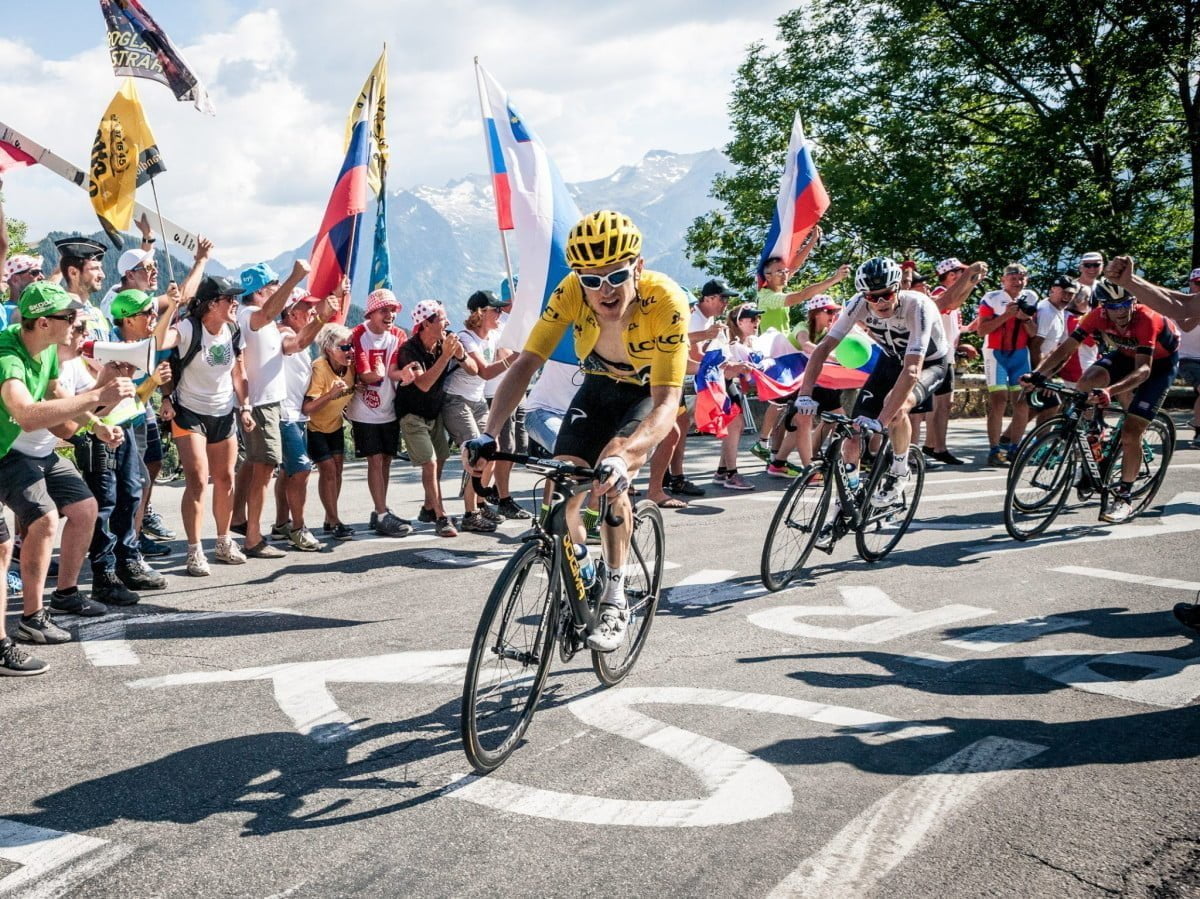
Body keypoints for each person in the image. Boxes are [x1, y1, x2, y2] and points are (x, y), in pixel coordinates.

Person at [466, 210, 690, 653]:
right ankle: (580, 561)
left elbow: (666, 403)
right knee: (566, 475)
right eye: (591, 279)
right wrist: (489, 434)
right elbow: (526, 362)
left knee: (612, 467)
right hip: (600, 382)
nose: (603, 290)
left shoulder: (665, 301)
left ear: (638, 268)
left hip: (648, 390)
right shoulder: (570, 291)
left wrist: (624, 460)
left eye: (615, 275)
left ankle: (615, 595)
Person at [0, 281, 134, 669]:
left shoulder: (46, 351)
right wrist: (97, 396)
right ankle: (30, 619)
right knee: (36, 523)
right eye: (69, 318)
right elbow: (25, 414)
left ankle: (57, 600)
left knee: (84, 507)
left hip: (23, 451)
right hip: (10, 452)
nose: (77, 323)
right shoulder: (9, 356)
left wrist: (96, 422)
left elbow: (59, 399)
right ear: (43, 323)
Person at [795, 256, 988, 507]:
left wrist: (880, 422)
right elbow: (823, 349)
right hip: (890, 361)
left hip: (930, 363)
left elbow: (911, 371)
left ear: (898, 287)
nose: (880, 302)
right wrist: (804, 394)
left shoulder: (917, 306)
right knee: (854, 432)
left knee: (895, 407)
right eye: (872, 297)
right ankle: (850, 495)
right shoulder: (858, 304)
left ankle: (899, 470)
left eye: (886, 294)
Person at [1024, 278, 1180, 524]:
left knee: (1131, 432)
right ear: (1103, 306)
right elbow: (1066, 349)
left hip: (1157, 366)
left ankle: (1124, 497)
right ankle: (1095, 434)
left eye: (1124, 305)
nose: (1119, 312)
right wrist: (1038, 375)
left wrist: (1109, 391)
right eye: (1112, 306)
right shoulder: (1097, 314)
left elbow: (1143, 372)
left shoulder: (1146, 319)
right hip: (1125, 355)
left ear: (1134, 301)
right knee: (1086, 382)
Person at [159, 275, 253, 576]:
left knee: (226, 478)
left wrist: (246, 406)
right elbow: (160, 342)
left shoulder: (234, 330)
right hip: (189, 412)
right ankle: (194, 549)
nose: (236, 303)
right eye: (230, 298)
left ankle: (224, 542)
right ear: (213, 303)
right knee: (198, 480)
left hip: (223, 411)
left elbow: (238, 373)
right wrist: (172, 306)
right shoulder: (188, 328)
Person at [229, 260, 312, 560]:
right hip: (261, 404)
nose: (279, 290)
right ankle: (253, 538)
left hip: (267, 403)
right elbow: (267, 312)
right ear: (262, 290)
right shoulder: (251, 314)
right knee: (264, 470)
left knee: (254, 465)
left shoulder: (261, 321)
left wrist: (321, 318)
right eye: (275, 286)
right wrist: (294, 277)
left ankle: (240, 521)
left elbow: (294, 346)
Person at [752, 250, 852, 462]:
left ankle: (777, 459)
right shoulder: (767, 297)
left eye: (785, 271)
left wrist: (811, 243)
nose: (785, 274)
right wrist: (834, 279)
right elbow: (802, 296)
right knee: (784, 406)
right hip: (778, 360)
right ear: (767, 276)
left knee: (797, 415)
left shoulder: (776, 287)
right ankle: (764, 443)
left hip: (790, 360)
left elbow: (793, 266)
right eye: (779, 272)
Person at [270, 285, 342, 551]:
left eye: (313, 307)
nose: (312, 311)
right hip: (285, 413)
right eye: (306, 307)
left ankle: (280, 525)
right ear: (290, 311)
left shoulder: (297, 333)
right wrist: (323, 317)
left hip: (297, 414)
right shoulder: (283, 333)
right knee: (301, 469)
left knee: (289, 470)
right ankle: (298, 528)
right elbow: (294, 345)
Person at [346, 288, 417, 537]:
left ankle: (381, 511)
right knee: (375, 460)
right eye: (385, 311)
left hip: (389, 407)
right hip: (363, 410)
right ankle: (382, 512)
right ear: (372, 312)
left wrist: (405, 375)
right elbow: (367, 375)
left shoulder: (398, 334)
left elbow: (394, 371)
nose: (391, 316)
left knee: (386, 459)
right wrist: (375, 374)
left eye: (393, 311)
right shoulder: (358, 334)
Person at [394, 300, 468, 535]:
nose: (448, 323)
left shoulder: (442, 344)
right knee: (430, 462)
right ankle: (441, 516)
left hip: (433, 413)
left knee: (442, 458)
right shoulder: (408, 350)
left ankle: (428, 507)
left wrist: (462, 355)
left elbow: (474, 370)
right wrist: (445, 357)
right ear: (426, 323)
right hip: (412, 414)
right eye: (443, 319)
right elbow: (424, 384)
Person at [441, 290, 511, 534]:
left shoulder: (492, 335)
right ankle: (470, 513)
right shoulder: (465, 338)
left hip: (477, 400)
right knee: (478, 454)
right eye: (497, 310)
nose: (501, 315)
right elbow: (485, 372)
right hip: (456, 401)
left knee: (495, 450)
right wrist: (515, 359)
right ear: (481, 313)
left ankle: (480, 502)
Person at [977, 262, 1039, 465]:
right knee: (999, 400)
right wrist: (1005, 316)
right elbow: (982, 331)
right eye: (1013, 278)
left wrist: (1025, 318)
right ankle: (994, 449)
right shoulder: (991, 298)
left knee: (1021, 401)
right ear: (1003, 280)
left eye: (1021, 278)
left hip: (1020, 354)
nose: (1017, 282)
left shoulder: (1031, 297)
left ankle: (1015, 448)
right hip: (995, 353)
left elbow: (1033, 333)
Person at [919, 257, 979, 465]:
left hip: (948, 355)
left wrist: (971, 283)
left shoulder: (950, 295)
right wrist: (971, 282)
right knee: (936, 404)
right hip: (937, 356)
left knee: (945, 403)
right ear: (952, 275)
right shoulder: (938, 294)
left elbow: (955, 314)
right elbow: (950, 303)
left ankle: (937, 446)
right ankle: (933, 445)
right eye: (962, 273)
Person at [303, 324, 356, 539]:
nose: (350, 351)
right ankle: (335, 521)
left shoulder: (351, 368)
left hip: (334, 425)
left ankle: (329, 518)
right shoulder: (320, 368)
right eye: (344, 348)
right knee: (328, 471)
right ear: (328, 350)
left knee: (338, 471)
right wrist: (331, 395)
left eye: (351, 346)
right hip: (314, 427)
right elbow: (307, 408)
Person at [1176, 268, 1200, 446]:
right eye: (1198, 284)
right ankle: (1199, 430)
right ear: (1191, 284)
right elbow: (1185, 326)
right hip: (1186, 358)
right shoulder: (1181, 303)